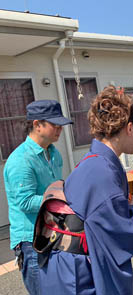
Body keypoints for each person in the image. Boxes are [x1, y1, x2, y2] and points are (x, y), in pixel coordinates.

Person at [38, 86, 133, 295]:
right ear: (129, 128)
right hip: (77, 273)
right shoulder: (102, 172)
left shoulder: (95, 161)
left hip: (65, 263)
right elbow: (125, 235)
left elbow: (110, 223)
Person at [3, 99, 73, 295]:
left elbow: (56, 187)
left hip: (52, 231)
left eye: (61, 125)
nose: (60, 129)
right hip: (31, 240)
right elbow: (25, 202)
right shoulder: (21, 160)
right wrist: (62, 199)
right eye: (54, 124)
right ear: (37, 124)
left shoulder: (53, 153)